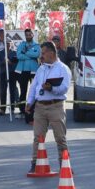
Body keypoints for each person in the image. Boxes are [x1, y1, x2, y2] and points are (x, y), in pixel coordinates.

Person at [25, 41, 71, 174]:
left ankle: (65, 165)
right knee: (37, 137)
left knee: (60, 138)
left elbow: (64, 88)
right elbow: (34, 87)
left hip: (55, 106)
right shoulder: (41, 68)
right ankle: (35, 164)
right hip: (40, 107)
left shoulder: (63, 68)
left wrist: (52, 88)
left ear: (52, 53)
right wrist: (29, 102)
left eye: (43, 53)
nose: (41, 56)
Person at [15, 28, 40, 123]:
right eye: (26, 35)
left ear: (33, 35)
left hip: (33, 71)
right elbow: (18, 56)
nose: (28, 36)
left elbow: (37, 54)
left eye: (29, 35)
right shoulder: (21, 45)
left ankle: (34, 110)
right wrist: (30, 55)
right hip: (23, 71)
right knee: (23, 91)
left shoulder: (37, 45)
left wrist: (25, 53)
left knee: (34, 91)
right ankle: (22, 111)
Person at [0, 29, 19, 116]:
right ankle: (2, 108)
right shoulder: (0, 53)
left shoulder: (14, 53)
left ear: (11, 44)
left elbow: (16, 63)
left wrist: (11, 62)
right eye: (6, 43)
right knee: (2, 91)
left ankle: (12, 107)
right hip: (3, 73)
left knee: (12, 90)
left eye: (9, 43)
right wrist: (3, 62)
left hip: (12, 73)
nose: (8, 45)